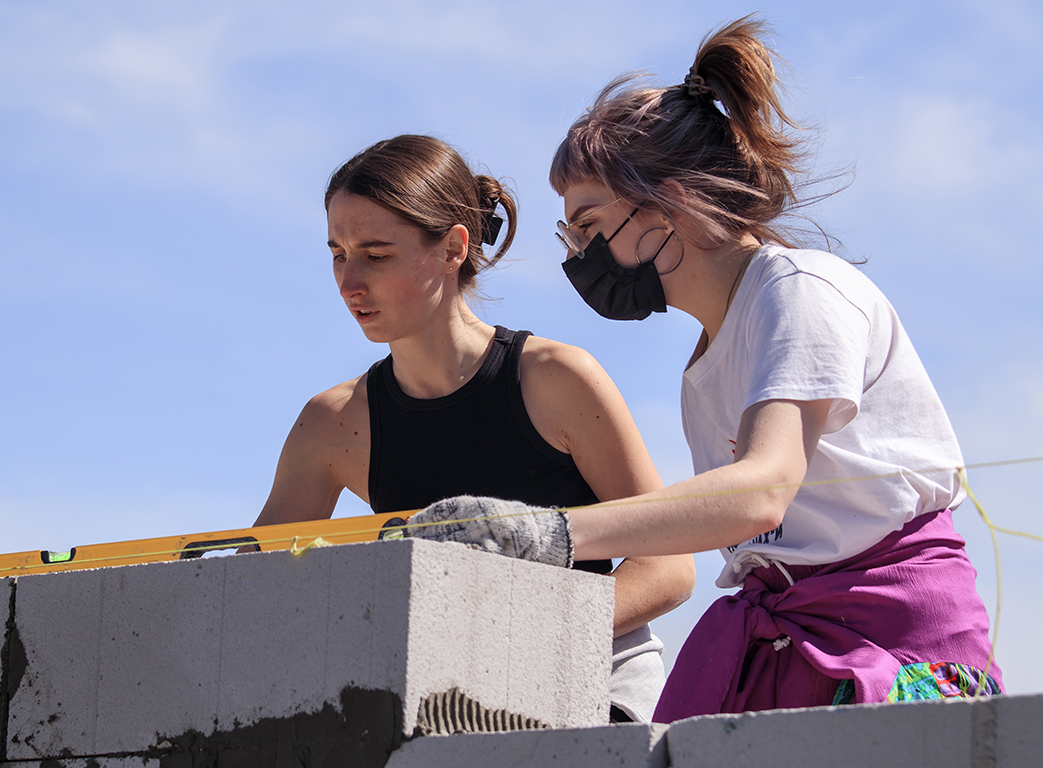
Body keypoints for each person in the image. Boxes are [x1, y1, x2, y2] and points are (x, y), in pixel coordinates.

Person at [406, 17, 1002, 721]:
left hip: (888, 651)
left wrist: (556, 533)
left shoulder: (801, 290)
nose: (578, 256)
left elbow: (759, 493)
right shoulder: (709, 357)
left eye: (591, 227)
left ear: (671, 203)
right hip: (792, 642)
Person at [250, 134, 696, 723]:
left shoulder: (558, 379)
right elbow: (255, 591)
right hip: (443, 706)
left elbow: (669, 566)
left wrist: (516, 637)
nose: (349, 282)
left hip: (596, 691)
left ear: (454, 247)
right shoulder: (331, 425)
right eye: (338, 253)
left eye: (376, 255)